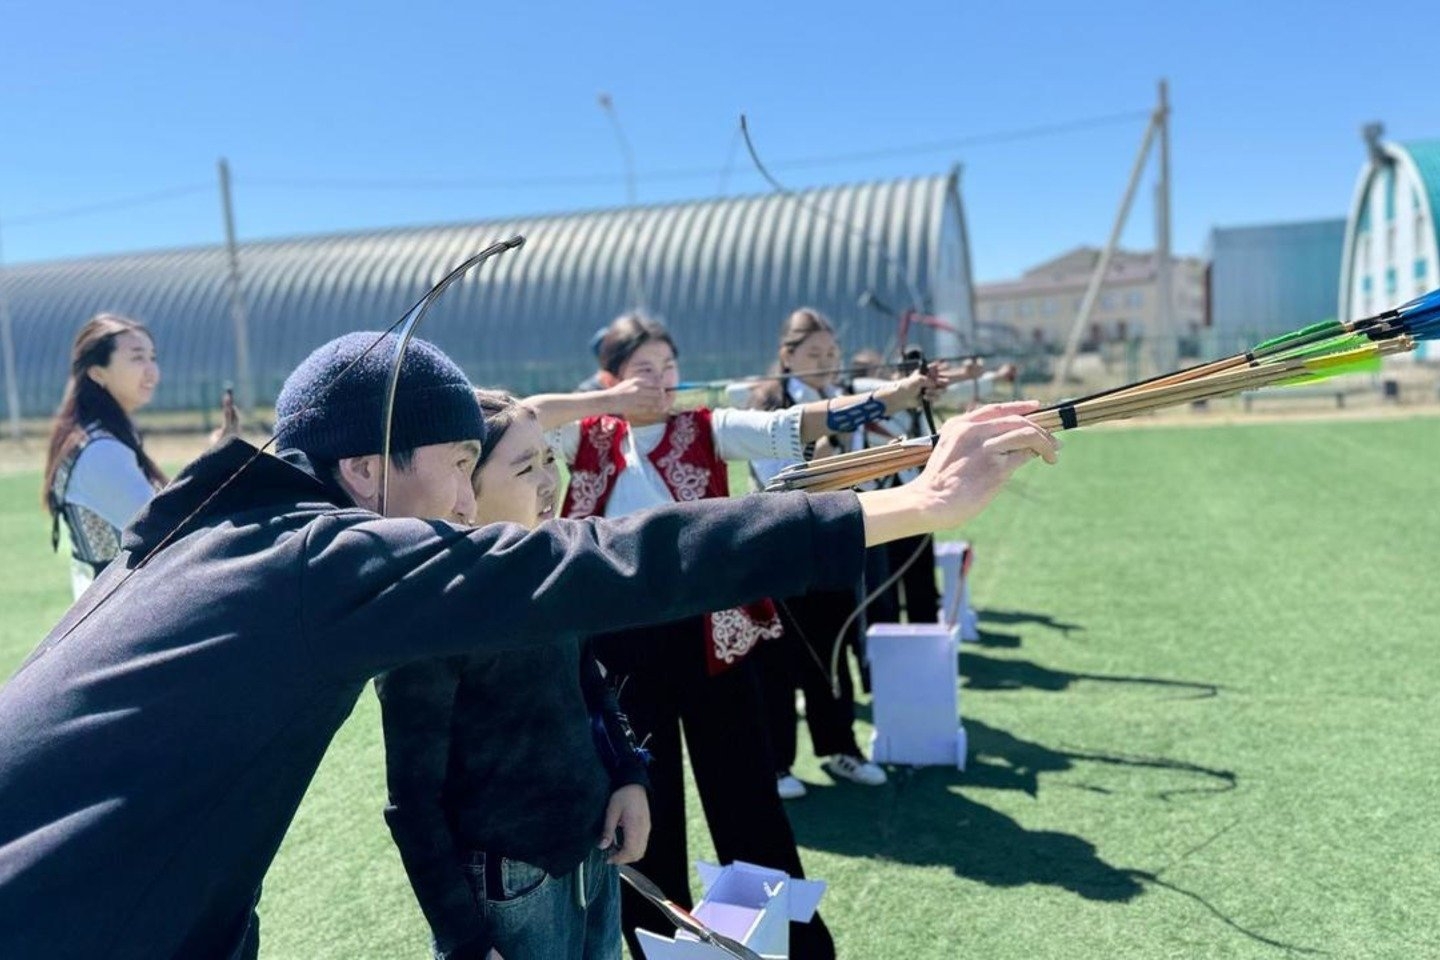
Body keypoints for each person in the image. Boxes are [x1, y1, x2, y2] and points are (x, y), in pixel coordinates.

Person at [0, 329, 1057, 960]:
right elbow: (612, 559)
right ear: (366, 471)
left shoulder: (211, 527)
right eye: (458, 463)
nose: (470, 499)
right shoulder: (322, 561)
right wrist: (914, 504)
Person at [524, 311, 950, 959]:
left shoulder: (704, 426)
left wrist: (893, 396)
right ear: (609, 378)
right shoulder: (582, 439)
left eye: (669, 367)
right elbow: (523, 415)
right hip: (618, 652)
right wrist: (604, 403)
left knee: (748, 799)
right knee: (641, 816)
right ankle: (662, 946)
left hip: (713, 640)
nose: (661, 381)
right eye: (643, 370)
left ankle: (791, 946)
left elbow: (794, 424)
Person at [376, 391, 649, 960]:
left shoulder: (552, 564)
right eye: (525, 468)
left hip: (594, 852)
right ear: (463, 486)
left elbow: (592, 686)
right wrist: (467, 943)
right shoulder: (432, 618)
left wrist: (629, 775)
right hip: (510, 887)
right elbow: (413, 803)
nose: (550, 480)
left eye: (549, 458)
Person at [749, 309, 921, 799]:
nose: (826, 362)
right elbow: (774, 481)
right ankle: (777, 764)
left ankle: (840, 747)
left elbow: (869, 476)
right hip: (781, 549)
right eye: (814, 354)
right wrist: (823, 452)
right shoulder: (768, 406)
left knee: (834, 649)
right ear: (786, 356)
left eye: (832, 353)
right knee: (779, 661)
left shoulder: (849, 402)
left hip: (835, 544)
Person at [42, 313, 166, 599]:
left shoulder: (100, 436)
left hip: (115, 602)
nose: (151, 371)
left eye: (152, 357)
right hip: (118, 607)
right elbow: (164, 527)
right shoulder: (100, 450)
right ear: (98, 373)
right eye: (137, 358)